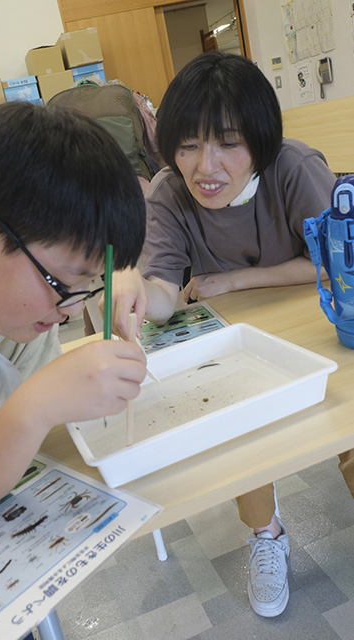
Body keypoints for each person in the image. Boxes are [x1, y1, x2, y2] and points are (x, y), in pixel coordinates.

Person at [106, 51, 338, 618]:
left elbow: (335, 264)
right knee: (237, 430)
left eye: (227, 143)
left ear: (259, 141)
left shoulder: (296, 168)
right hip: (244, 351)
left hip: (321, 325)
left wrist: (236, 279)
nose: (204, 166)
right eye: (188, 145)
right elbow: (163, 292)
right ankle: (267, 535)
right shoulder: (168, 194)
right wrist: (134, 286)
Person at [0, 101, 147, 638]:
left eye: (90, 285)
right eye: (65, 285)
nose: (72, 311)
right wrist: (37, 404)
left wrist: (117, 279)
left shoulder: (13, 296)